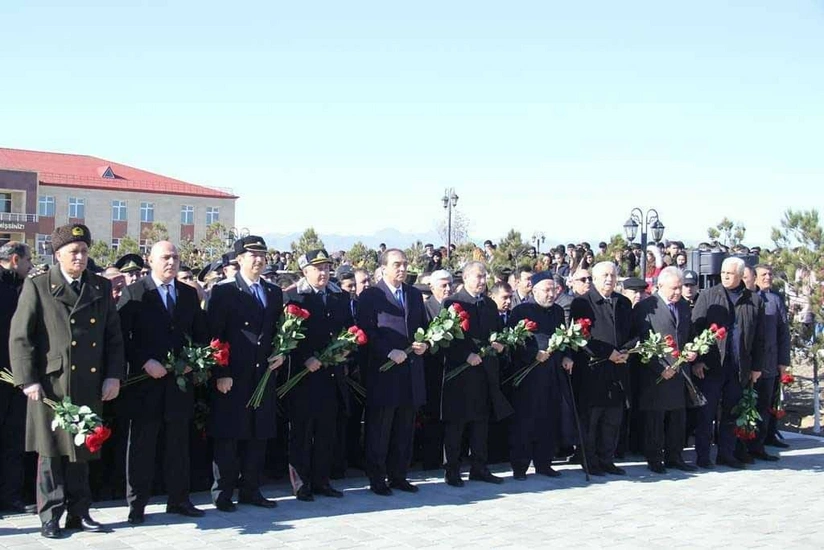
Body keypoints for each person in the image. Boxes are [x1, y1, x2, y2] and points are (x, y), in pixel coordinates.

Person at [10, 224, 125, 539]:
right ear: (58, 254)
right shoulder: (40, 286)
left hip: (88, 381)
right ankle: (50, 515)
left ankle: (79, 512)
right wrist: (27, 380)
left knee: (83, 448)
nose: (81, 257)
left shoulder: (99, 287)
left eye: (85, 250)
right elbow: (21, 337)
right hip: (52, 384)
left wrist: (114, 375)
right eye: (74, 251)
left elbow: (113, 338)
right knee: (51, 454)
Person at [117, 241, 208, 524]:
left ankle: (179, 499)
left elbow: (199, 332)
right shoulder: (134, 292)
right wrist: (144, 361)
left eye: (176, 257)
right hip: (146, 383)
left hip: (179, 384)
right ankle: (137, 504)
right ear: (150, 260)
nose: (171, 262)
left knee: (178, 444)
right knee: (142, 446)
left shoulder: (188, 294)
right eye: (165, 257)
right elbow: (121, 336)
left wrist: (196, 358)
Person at [207, 236, 285, 511]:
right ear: (238, 259)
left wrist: (281, 353)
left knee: (258, 433)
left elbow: (278, 331)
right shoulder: (224, 291)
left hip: (262, 374)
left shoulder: (273, 292)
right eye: (252, 254)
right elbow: (214, 335)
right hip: (234, 374)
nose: (259, 259)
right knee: (229, 435)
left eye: (262, 254)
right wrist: (221, 372)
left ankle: (251, 489)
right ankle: (224, 492)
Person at [356, 249, 428, 496]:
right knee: (380, 428)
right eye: (397, 264)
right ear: (383, 267)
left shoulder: (414, 295)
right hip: (384, 372)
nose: (402, 268)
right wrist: (388, 352)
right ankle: (377, 477)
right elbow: (367, 331)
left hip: (410, 371)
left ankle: (399, 475)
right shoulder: (371, 296)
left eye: (405, 264)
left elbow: (423, 328)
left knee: (404, 428)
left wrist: (424, 344)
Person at [283, 249, 353, 501]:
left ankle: (322, 480)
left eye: (326, 268)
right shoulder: (293, 296)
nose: (323, 273)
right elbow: (286, 336)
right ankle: (300, 482)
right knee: (301, 432)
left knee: (326, 430)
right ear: (306, 271)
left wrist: (347, 350)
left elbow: (348, 330)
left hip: (331, 374)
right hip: (303, 376)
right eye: (318, 268)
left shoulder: (339, 296)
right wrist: (304, 358)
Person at [441, 261, 513, 487]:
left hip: (485, 370)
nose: (482, 281)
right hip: (462, 372)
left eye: (484, 277)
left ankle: (479, 467)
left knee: (481, 422)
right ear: (465, 277)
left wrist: (501, 343)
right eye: (478, 277)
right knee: (457, 423)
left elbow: (496, 332)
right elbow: (447, 337)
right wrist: (465, 355)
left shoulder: (490, 304)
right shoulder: (453, 302)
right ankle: (452, 469)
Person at [691, 257, 765, 470]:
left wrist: (756, 367)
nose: (725, 276)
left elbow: (759, 338)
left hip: (738, 366)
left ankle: (727, 453)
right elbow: (696, 328)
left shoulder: (753, 300)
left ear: (741, 276)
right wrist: (698, 360)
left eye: (730, 273)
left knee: (732, 412)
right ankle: (703, 455)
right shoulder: (708, 296)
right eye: (723, 272)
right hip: (712, 366)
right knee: (706, 413)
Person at [630, 267, 698, 474]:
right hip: (656, 373)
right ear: (660, 286)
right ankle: (654, 458)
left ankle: (674, 456)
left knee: (678, 416)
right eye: (674, 288)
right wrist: (659, 367)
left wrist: (693, 351)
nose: (678, 292)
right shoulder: (646, 307)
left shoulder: (684, 306)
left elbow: (689, 334)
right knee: (656, 419)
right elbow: (640, 341)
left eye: (680, 288)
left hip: (680, 370)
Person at [507, 272, 574, 479]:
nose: (551, 294)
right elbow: (513, 341)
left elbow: (563, 336)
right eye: (546, 290)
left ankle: (544, 463)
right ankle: (520, 466)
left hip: (552, 372)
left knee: (549, 419)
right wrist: (533, 354)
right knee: (526, 422)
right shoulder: (521, 310)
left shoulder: (556, 311)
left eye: (553, 290)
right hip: (529, 374)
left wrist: (566, 356)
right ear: (534, 290)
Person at [570, 262, 633, 476]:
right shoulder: (582, 303)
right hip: (593, 370)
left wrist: (626, 351)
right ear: (594, 279)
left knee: (612, 419)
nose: (609, 279)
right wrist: (607, 353)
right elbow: (581, 337)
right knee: (592, 420)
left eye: (613, 275)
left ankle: (607, 459)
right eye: (605, 275)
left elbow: (632, 332)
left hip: (619, 368)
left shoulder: (623, 302)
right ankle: (590, 461)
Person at [0, 242, 34, 514]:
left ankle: (11, 496)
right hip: (4, 375)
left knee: (14, 439)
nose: (31, 266)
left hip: (17, 377)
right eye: (28, 260)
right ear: (15, 260)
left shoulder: (25, 288)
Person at [750, 264, 791, 457]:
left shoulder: (775, 300)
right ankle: (750, 444)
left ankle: (766, 438)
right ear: (754, 278)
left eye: (770, 274)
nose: (768, 277)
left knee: (769, 404)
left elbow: (784, 332)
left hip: (771, 362)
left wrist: (783, 361)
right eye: (763, 274)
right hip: (752, 363)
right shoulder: (750, 298)